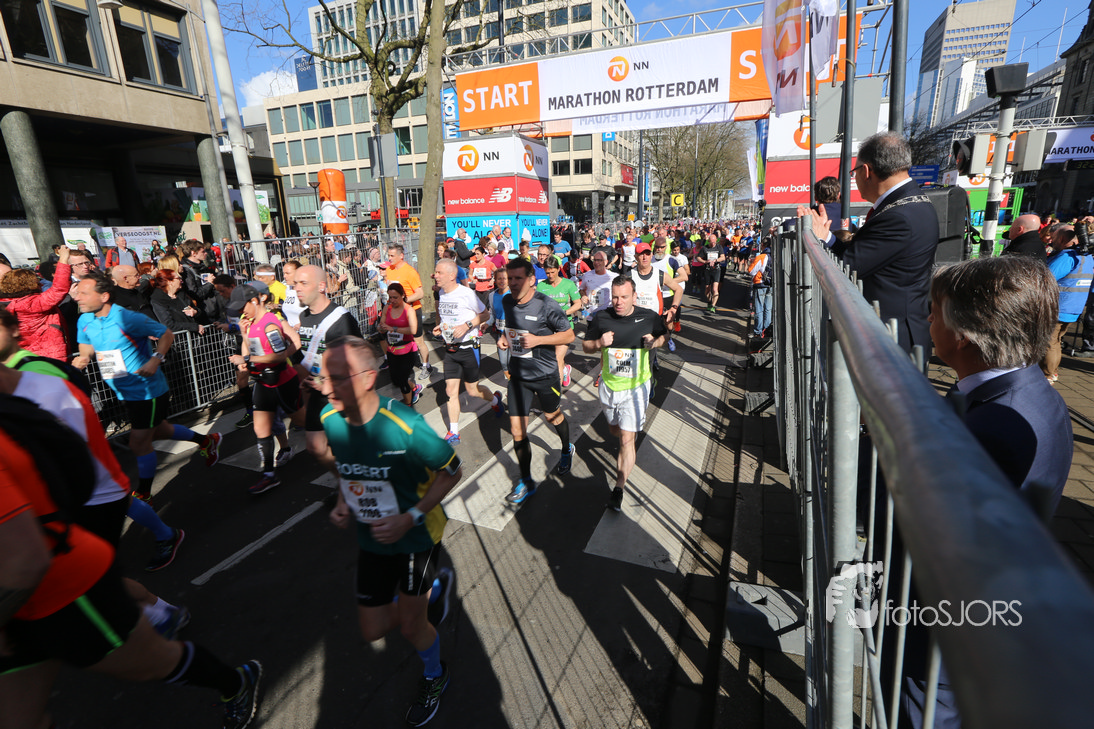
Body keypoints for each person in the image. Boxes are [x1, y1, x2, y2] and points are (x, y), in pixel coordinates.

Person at [894, 255, 1074, 729]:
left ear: (963, 335)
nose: (927, 321)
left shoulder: (990, 428)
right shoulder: (1032, 392)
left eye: (935, 312)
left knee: (927, 710)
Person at [0, 414, 261, 729]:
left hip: (64, 590)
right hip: (21, 609)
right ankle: (165, 610)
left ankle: (235, 682)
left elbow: (27, 556)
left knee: (151, 662)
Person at [316, 336, 458, 727]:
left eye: (336, 378)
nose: (326, 389)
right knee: (372, 629)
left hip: (417, 534)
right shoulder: (330, 418)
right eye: (323, 378)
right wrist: (344, 501)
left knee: (412, 626)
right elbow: (348, 468)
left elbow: (452, 471)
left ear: (367, 379)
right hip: (373, 536)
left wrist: (409, 517)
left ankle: (435, 674)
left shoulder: (405, 424)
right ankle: (434, 593)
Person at [71, 271, 221, 500]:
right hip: (123, 390)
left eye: (84, 293)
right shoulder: (85, 319)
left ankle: (144, 493)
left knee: (139, 443)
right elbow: (86, 345)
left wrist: (155, 359)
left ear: (103, 296)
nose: (77, 297)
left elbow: (166, 334)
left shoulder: (128, 318)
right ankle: (208, 440)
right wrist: (83, 358)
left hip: (147, 390)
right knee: (161, 430)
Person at [800, 131, 940, 354]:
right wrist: (827, 237)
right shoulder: (912, 203)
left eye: (854, 172)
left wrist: (819, 237)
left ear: (866, 171)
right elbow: (863, 255)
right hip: (897, 329)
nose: (854, 178)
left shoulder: (898, 216)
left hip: (893, 337)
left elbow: (848, 267)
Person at [583, 277, 667, 511]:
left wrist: (654, 342)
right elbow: (585, 346)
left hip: (636, 387)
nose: (618, 302)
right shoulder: (601, 317)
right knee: (614, 430)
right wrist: (599, 342)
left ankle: (618, 488)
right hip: (609, 386)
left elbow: (665, 336)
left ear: (634, 297)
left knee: (627, 439)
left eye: (624, 297)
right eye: (615, 297)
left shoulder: (649, 317)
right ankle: (626, 437)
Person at [497, 259, 576, 504]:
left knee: (553, 417)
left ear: (532, 280)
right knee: (517, 431)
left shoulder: (546, 305)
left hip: (544, 374)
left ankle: (566, 448)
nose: (512, 283)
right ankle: (526, 481)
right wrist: (504, 338)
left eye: (518, 279)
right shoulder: (507, 301)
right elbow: (512, 326)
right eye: (510, 279)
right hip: (519, 376)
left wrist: (538, 340)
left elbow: (569, 335)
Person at [286, 265, 364, 465]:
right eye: (295, 284)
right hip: (315, 392)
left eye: (303, 283)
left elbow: (359, 359)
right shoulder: (304, 317)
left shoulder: (341, 319)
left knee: (347, 448)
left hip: (341, 394)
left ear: (321, 286)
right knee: (316, 447)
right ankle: (344, 478)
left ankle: (352, 479)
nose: (297, 288)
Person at [227, 285, 301, 494]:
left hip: (283, 381)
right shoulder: (249, 322)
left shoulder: (270, 323)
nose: (240, 312)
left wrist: (247, 359)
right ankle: (269, 475)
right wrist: (244, 335)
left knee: (305, 421)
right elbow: (248, 349)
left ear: (254, 301)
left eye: (242, 307)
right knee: (261, 429)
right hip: (263, 382)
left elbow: (279, 356)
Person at [432, 258, 504, 444]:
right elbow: (448, 319)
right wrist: (441, 327)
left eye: (439, 273)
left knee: (473, 391)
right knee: (450, 391)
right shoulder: (442, 293)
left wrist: (467, 326)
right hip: (450, 349)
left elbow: (485, 314)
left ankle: (495, 401)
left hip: (468, 348)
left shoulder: (466, 293)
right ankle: (454, 432)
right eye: (435, 272)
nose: (435, 276)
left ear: (451, 275)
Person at [1040, 225, 1092, 383]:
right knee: (1056, 341)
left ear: (1062, 239)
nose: (1052, 242)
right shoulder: (1087, 257)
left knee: (1049, 342)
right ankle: (1053, 372)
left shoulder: (1067, 257)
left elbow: (1046, 277)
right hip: (1073, 307)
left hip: (1058, 307)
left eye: (1054, 238)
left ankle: (1048, 374)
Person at [0, 245, 72, 360]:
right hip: (48, 359)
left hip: (23, 359)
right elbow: (59, 288)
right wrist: (63, 259)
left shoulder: (5, 304)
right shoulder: (33, 303)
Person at [385, 244, 432, 378]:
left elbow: (420, 293)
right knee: (399, 339)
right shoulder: (389, 269)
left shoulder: (410, 272)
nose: (389, 258)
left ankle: (426, 366)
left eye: (392, 256)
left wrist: (403, 301)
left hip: (412, 310)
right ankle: (402, 367)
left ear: (401, 256)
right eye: (388, 255)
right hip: (396, 311)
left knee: (418, 340)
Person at [536, 256, 582, 388]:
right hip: (548, 328)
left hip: (564, 326)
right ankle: (565, 370)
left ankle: (555, 393)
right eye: (547, 273)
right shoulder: (541, 286)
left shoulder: (568, 284)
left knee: (556, 358)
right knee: (553, 359)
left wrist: (564, 313)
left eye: (553, 272)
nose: (550, 275)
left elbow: (577, 304)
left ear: (558, 269)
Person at [379, 282, 425, 406]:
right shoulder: (387, 308)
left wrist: (393, 329)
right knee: (396, 379)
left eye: (395, 297)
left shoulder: (409, 310)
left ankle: (408, 405)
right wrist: (381, 328)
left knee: (402, 380)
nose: (392, 300)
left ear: (402, 295)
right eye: (390, 297)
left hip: (408, 350)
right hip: (392, 350)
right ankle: (415, 387)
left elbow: (413, 330)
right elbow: (382, 324)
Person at [149, 269, 206, 335]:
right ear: (170, 282)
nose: (181, 280)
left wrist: (195, 311)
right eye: (178, 278)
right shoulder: (158, 300)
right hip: (179, 338)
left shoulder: (181, 294)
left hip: (193, 336)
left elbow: (196, 309)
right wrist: (194, 327)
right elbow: (168, 324)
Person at [748, 243, 773, 338]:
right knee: (768, 309)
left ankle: (758, 332)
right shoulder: (775, 255)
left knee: (759, 309)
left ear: (762, 245)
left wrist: (753, 262)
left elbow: (751, 271)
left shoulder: (761, 257)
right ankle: (766, 331)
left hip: (760, 284)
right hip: (770, 285)